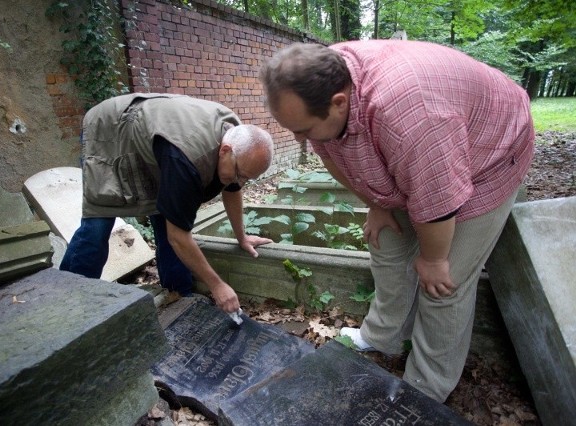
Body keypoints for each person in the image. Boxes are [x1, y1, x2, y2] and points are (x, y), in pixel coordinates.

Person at [259, 41, 534, 402]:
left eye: (304, 130)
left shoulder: (410, 116)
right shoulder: (320, 82)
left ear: (339, 103)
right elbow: (332, 156)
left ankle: (426, 388)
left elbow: (438, 198)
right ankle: (383, 336)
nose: (299, 140)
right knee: (386, 243)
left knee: (442, 285)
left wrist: (433, 260)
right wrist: (376, 203)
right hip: (426, 152)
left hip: (488, 154)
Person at [60, 93, 275, 313]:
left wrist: (242, 237)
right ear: (225, 150)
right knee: (98, 224)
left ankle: (180, 299)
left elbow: (232, 189)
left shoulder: (238, 143)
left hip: (159, 140)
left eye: (247, 178)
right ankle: (72, 302)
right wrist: (217, 285)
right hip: (112, 132)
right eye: (240, 174)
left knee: (169, 217)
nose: (240, 182)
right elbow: (179, 238)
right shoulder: (188, 160)